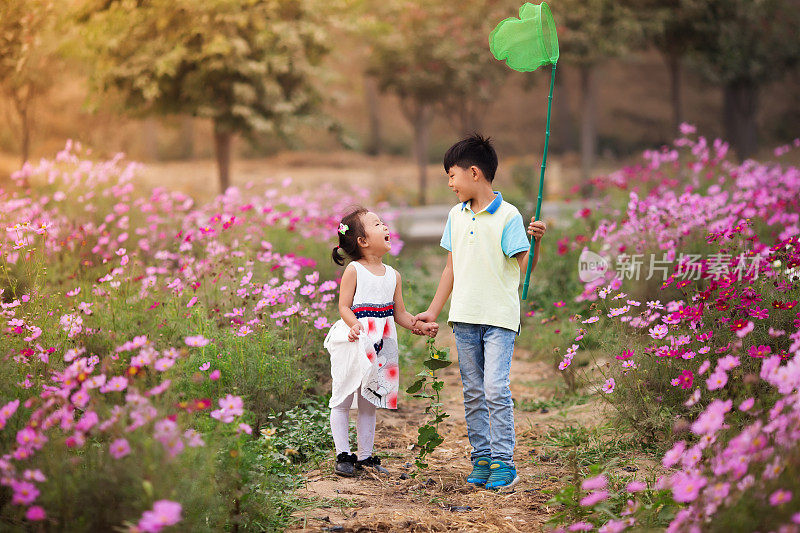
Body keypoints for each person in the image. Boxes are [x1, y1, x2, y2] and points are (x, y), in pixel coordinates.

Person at [415, 133, 547, 490]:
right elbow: (450, 269)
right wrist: (433, 311)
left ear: (474, 172)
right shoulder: (455, 217)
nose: (449, 183)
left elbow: (524, 266)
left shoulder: (508, 215)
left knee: (494, 388)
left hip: (500, 317)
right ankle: (482, 457)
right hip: (464, 317)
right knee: (473, 391)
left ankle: (505, 461)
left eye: (451, 175)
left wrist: (534, 243)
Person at [325, 207, 438, 477]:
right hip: (356, 340)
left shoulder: (393, 275)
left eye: (383, 222)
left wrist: (418, 325)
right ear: (362, 241)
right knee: (343, 396)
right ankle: (343, 454)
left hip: (382, 343)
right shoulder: (354, 270)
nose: (385, 226)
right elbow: (343, 306)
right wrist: (354, 327)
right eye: (377, 224)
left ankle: (365, 457)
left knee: (369, 400)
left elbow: (399, 313)